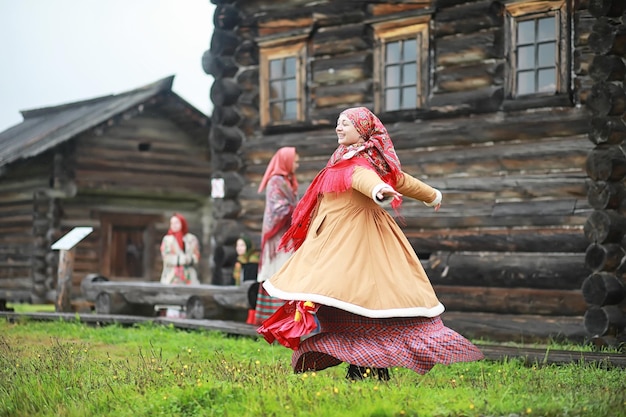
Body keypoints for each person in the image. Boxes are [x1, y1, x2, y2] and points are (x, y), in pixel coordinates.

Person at [257, 107, 483, 379]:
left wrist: (404, 192)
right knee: (348, 300)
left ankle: (370, 366)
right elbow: (391, 178)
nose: (338, 129)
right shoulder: (342, 160)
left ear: (361, 130)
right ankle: (362, 365)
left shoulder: (363, 163)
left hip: (361, 241)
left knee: (368, 299)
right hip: (336, 242)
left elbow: (379, 180)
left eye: (345, 124)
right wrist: (429, 195)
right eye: (338, 123)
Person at [254, 147, 300, 325]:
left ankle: (286, 320)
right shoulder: (276, 181)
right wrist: (298, 210)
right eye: (295, 161)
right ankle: (272, 319)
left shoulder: (288, 181)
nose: (297, 164)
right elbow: (277, 209)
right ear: (286, 161)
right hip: (277, 240)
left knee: (286, 274)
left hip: (286, 237)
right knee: (277, 273)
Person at [160, 213, 200, 317]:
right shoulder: (167, 240)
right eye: (172, 223)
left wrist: (190, 259)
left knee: (188, 297)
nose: (174, 225)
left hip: (188, 277)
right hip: (172, 276)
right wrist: (182, 259)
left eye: (176, 222)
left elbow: (196, 256)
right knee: (172, 299)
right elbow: (166, 257)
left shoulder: (191, 239)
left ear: (182, 223)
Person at [232, 235, 261, 324]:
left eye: (242, 245)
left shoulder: (253, 261)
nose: (239, 248)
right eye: (238, 245)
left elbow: (250, 283)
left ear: (248, 246)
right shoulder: (239, 262)